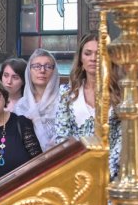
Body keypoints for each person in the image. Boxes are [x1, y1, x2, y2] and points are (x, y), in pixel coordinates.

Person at [51, 34, 121, 176]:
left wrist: (106, 171)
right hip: (76, 170)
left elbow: (123, 138)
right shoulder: (67, 93)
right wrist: (78, 167)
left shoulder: (120, 93)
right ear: (81, 59)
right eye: (88, 53)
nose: (93, 58)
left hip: (112, 172)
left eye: (99, 54)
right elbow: (62, 136)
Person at [12, 48, 61, 151]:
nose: (42, 70)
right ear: (29, 71)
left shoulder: (64, 101)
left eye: (48, 66)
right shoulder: (21, 106)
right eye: (36, 66)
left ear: (54, 71)